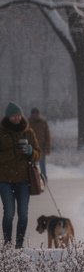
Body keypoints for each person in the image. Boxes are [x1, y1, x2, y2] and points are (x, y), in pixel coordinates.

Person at [1, 103, 42, 248]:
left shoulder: (28, 132)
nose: (17, 118)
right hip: (5, 180)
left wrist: (31, 151)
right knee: (9, 213)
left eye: (19, 115)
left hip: (24, 181)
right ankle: (7, 245)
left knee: (23, 214)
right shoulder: (1, 132)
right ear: (8, 116)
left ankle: (18, 245)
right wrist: (14, 152)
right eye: (14, 115)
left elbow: (38, 154)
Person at [27, 108, 51, 178]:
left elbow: (47, 135)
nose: (35, 115)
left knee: (42, 164)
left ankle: (43, 178)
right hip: (32, 148)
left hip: (41, 148)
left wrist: (47, 147)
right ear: (31, 114)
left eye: (37, 114)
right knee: (33, 165)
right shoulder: (28, 123)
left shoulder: (43, 122)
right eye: (33, 114)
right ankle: (34, 178)